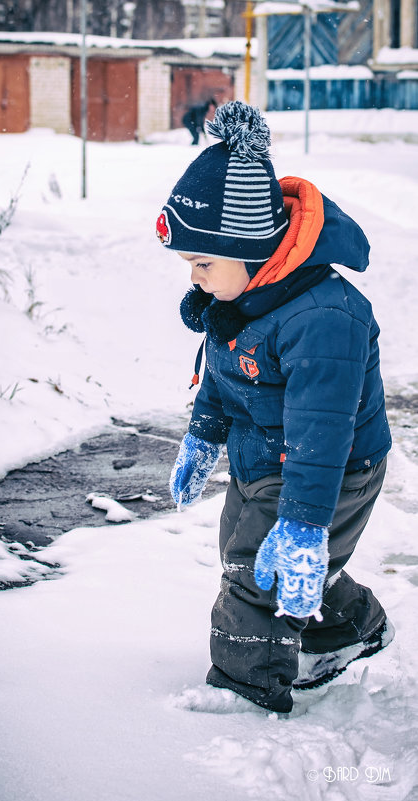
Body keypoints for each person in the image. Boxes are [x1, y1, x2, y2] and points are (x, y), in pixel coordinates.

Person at [155, 101, 394, 714]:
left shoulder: (323, 319)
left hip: (332, 470)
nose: (196, 279)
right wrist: (203, 437)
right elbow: (224, 378)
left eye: (203, 262)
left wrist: (307, 521)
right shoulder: (245, 300)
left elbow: (323, 435)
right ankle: (348, 627)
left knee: (254, 575)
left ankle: (246, 692)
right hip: (263, 456)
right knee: (250, 548)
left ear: (249, 248)